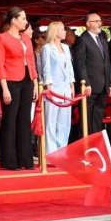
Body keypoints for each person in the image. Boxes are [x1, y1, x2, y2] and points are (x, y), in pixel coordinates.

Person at [0, 7, 37, 170]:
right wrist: (4, 88)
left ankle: (25, 159)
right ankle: (9, 160)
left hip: (27, 80)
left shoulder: (25, 38)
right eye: (23, 18)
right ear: (14, 20)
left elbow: (31, 61)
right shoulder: (2, 38)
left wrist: (34, 83)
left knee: (24, 119)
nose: (26, 22)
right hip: (10, 80)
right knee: (10, 119)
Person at [73, 11, 111, 135]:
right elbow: (80, 64)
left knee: (98, 115)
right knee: (86, 116)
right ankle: (86, 142)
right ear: (88, 24)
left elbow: (107, 62)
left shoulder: (102, 39)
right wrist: (86, 83)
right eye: (96, 21)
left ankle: (96, 140)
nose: (99, 23)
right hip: (90, 85)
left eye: (100, 21)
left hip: (103, 85)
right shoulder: (83, 40)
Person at [40, 21, 75, 153]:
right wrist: (48, 87)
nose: (65, 31)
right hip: (54, 89)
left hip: (65, 89)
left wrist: (72, 84)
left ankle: (62, 149)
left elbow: (70, 68)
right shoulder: (47, 48)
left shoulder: (66, 48)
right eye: (62, 29)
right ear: (55, 32)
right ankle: (51, 151)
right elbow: (46, 69)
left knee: (64, 122)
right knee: (51, 122)